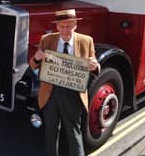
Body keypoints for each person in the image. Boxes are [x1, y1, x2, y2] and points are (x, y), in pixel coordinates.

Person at [29, 9, 100, 156]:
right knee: (51, 131)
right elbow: (33, 65)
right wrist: (37, 57)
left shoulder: (86, 41)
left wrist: (95, 66)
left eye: (69, 26)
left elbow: (94, 65)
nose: (65, 30)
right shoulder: (47, 39)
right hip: (50, 93)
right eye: (62, 26)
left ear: (75, 25)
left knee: (73, 131)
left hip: (73, 93)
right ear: (57, 27)